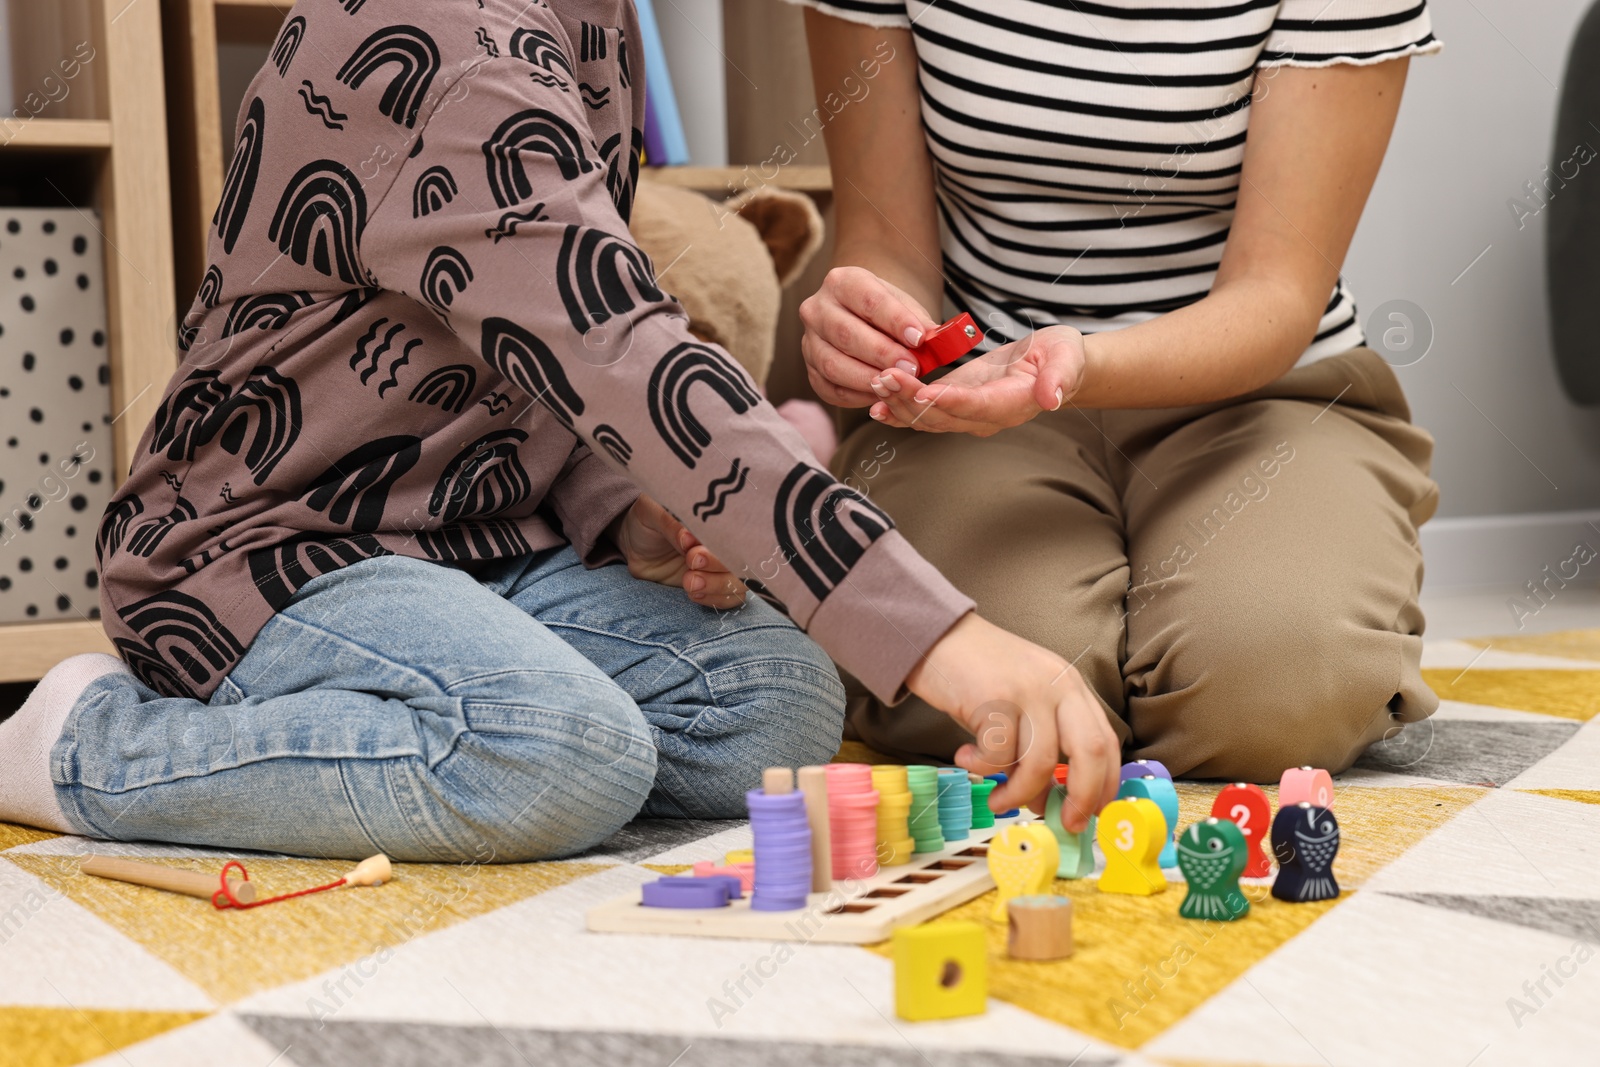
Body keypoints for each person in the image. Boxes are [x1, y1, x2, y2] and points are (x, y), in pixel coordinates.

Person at [0, 0, 1121, 861]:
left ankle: (437, 708)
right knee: (553, 750)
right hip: (263, 553)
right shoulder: (439, 42)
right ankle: (92, 745)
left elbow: (538, 342)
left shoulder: (585, 21)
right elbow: (614, 346)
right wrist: (943, 641)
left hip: (488, 539)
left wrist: (625, 507)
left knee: (772, 705)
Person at [791, 0, 1442, 776]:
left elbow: (1275, 294)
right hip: (974, 410)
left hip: (1270, 395)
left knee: (1274, 690)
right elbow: (885, 246)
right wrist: (871, 324)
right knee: (989, 693)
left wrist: (1078, 364)